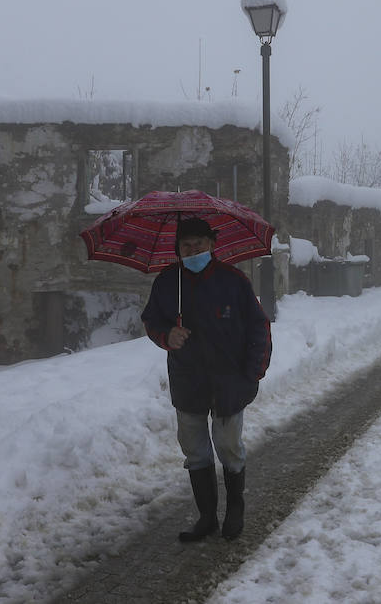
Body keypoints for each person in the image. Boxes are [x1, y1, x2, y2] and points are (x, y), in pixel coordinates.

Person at [141, 216, 272, 542]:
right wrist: (166, 334)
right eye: (186, 246)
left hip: (229, 381)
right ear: (177, 250)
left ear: (212, 245)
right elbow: (151, 320)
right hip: (188, 381)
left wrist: (253, 372)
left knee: (228, 446)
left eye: (199, 244)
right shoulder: (168, 281)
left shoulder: (234, 281)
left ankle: (235, 507)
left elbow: (259, 327)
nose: (193, 250)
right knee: (195, 451)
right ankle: (207, 517)